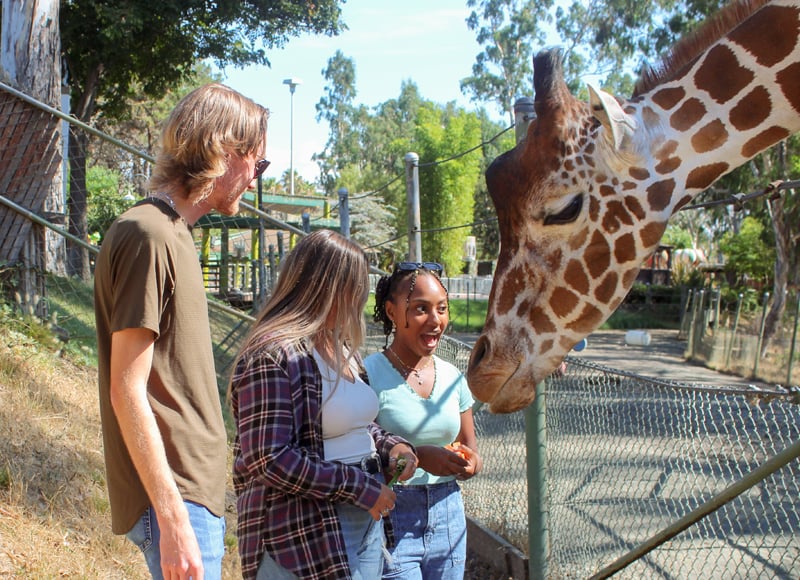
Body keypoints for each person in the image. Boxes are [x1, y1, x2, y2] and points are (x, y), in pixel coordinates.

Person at [93, 83, 270, 579]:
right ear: (223, 151)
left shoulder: (174, 234)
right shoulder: (146, 234)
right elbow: (127, 388)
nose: (255, 180)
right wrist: (172, 518)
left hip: (194, 493)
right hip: (176, 497)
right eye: (257, 163)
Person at [228, 229, 419, 580]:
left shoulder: (342, 347)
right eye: (356, 287)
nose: (361, 299)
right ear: (328, 287)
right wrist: (358, 486)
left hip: (364, 515)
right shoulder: (274, 354)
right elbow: (269, 458)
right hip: (303, 531)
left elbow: (356, 423)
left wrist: (392, 447)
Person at [365, 262, 482, 579]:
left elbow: (471, 448)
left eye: (441, 309)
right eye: (420, 309)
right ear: (392, 311)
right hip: (393, 516)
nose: (435, 321)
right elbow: (359, 459)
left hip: (449, 516)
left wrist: (469, 464)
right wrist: (417, 457)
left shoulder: (453, 377)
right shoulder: (367, 375)